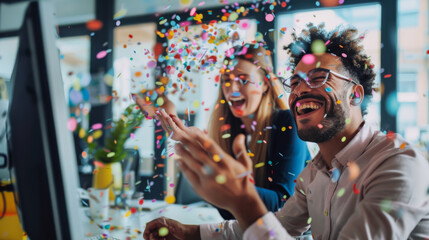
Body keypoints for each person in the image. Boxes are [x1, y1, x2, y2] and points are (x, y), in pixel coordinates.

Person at [142, 23, 429, 240]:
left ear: (355, 94)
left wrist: (242, 198)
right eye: (296, 82)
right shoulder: (315, 173)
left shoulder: (399, 164)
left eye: (318, 78)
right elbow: (277, 225)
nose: (302, 89)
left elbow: (263, 219)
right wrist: (190, 232)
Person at [136, 44, 311, 219]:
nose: (232, 90)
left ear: (265, 84)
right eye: (227, 79)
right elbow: (229, 211)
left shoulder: (286, 123)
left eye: (243, 80)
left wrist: (228, 182)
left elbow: (283, 204)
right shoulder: (228, 131)